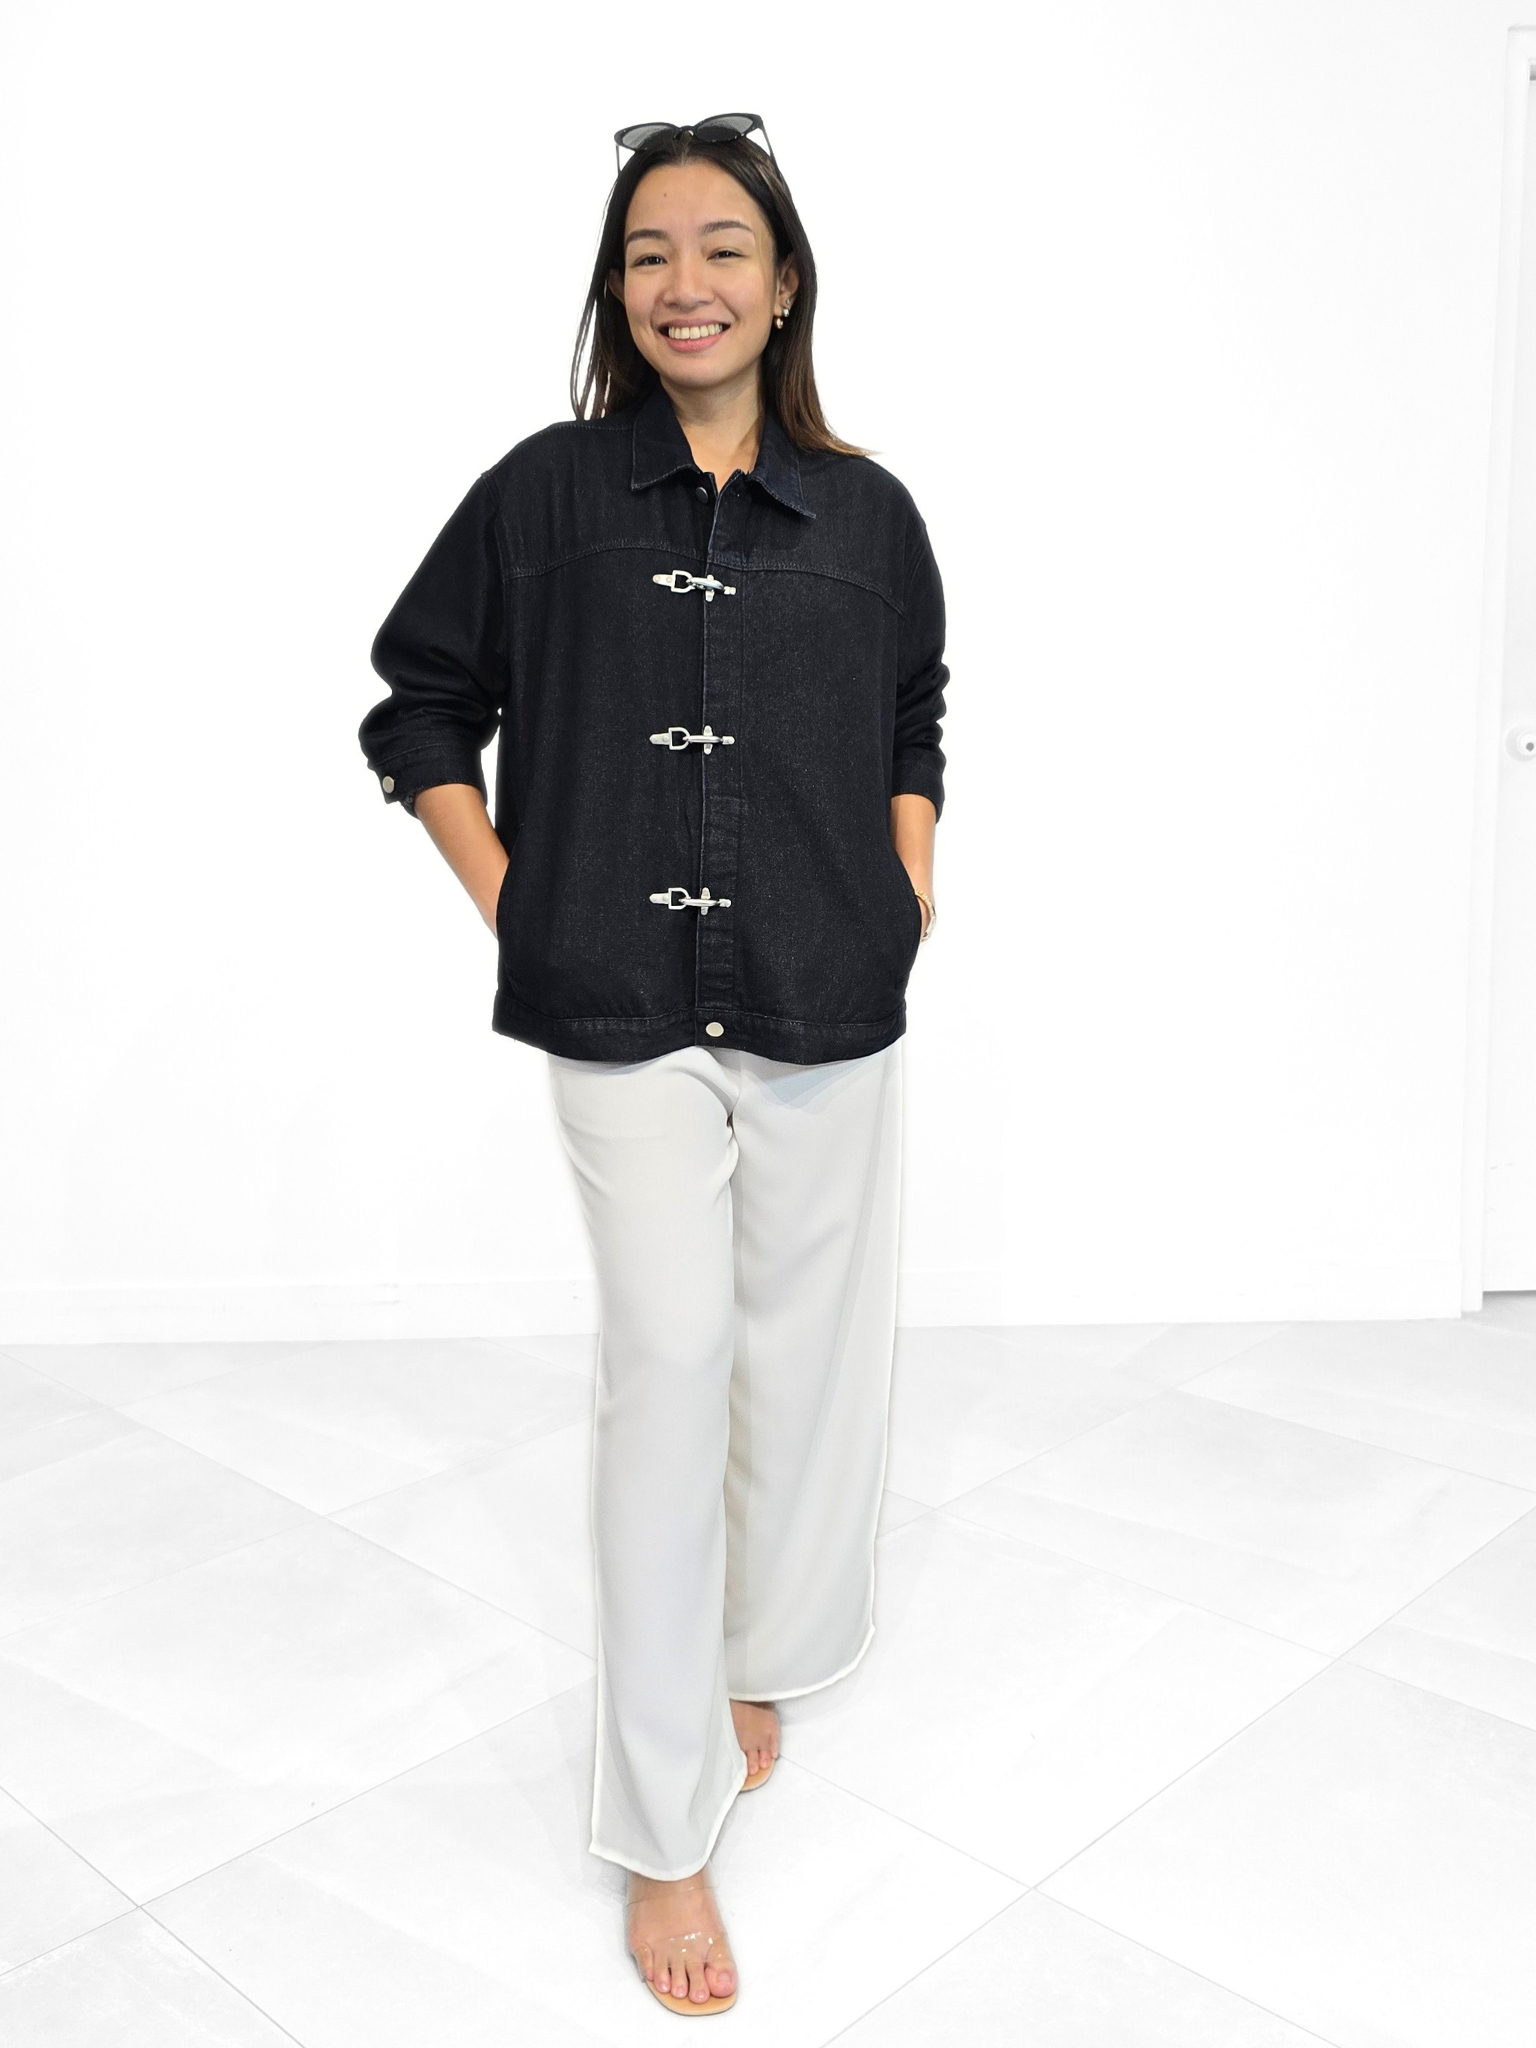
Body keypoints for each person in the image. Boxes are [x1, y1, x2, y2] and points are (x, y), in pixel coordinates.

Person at [357, 112, 947, 2018]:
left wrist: (909, 878)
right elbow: (417, 701)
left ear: (784, 281)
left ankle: (755, 1656)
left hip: (826, 984)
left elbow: (916, 710)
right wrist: (513, 896)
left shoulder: (868, 513)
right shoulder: (546, 493)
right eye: (646, 254)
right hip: (616, 994)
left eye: (721, 247)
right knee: (674, 1364)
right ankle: (663, 1831)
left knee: (809, 1363)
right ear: (616, 294)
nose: (685, 284)